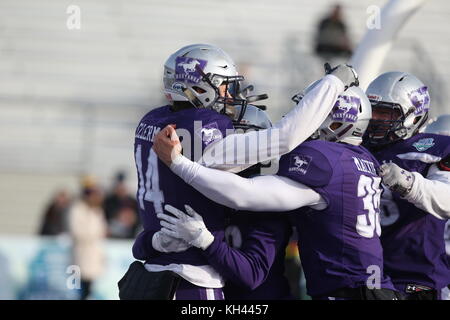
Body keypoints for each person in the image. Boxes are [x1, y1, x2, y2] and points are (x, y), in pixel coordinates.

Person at [127, 43, 358, 300]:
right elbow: (285, 137)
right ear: (197, 88)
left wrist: (157, 241)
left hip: (151, 276)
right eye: (224, 85)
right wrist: (333, 83)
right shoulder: (203, 134)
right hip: (193, 279)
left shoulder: (150, 123)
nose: (230, 94)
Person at [153, 85, 401, 300]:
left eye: (243, 141)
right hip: (357, 286)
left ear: (335, 122)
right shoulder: (354, 158)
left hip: (351, 290)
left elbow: (245, 196)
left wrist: (179, 164)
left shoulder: (323, 162)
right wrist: (157, 241)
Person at [134, 105, 293, 299]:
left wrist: (206, 241)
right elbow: (139, 248)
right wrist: (156, 242)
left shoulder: (268, 204)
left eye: (232, 147)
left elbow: (251, 275)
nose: (217, 152)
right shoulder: (206, 192)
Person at [363, 71, 450, 300]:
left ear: (413, 115)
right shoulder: (357, 148)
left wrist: (408, 183)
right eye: (372, 112)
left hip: (415, 276)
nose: (375, 121)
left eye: (384, 113)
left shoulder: (430, 149)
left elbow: (447, 200)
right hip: (365, 272)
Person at [68, 176, 107, 300]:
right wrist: (92, 234)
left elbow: (102, 230)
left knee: (89, 289)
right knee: (79, 288)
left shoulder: (97, 210)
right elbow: (77, 231)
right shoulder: (77, 209)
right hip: (81, 254)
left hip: (93, 255)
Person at [104, 172, 140, 239]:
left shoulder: (132, 201)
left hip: (131, 232)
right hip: (113, 231)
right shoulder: (109, 201)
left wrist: (131, 219)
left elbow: (138, 218)